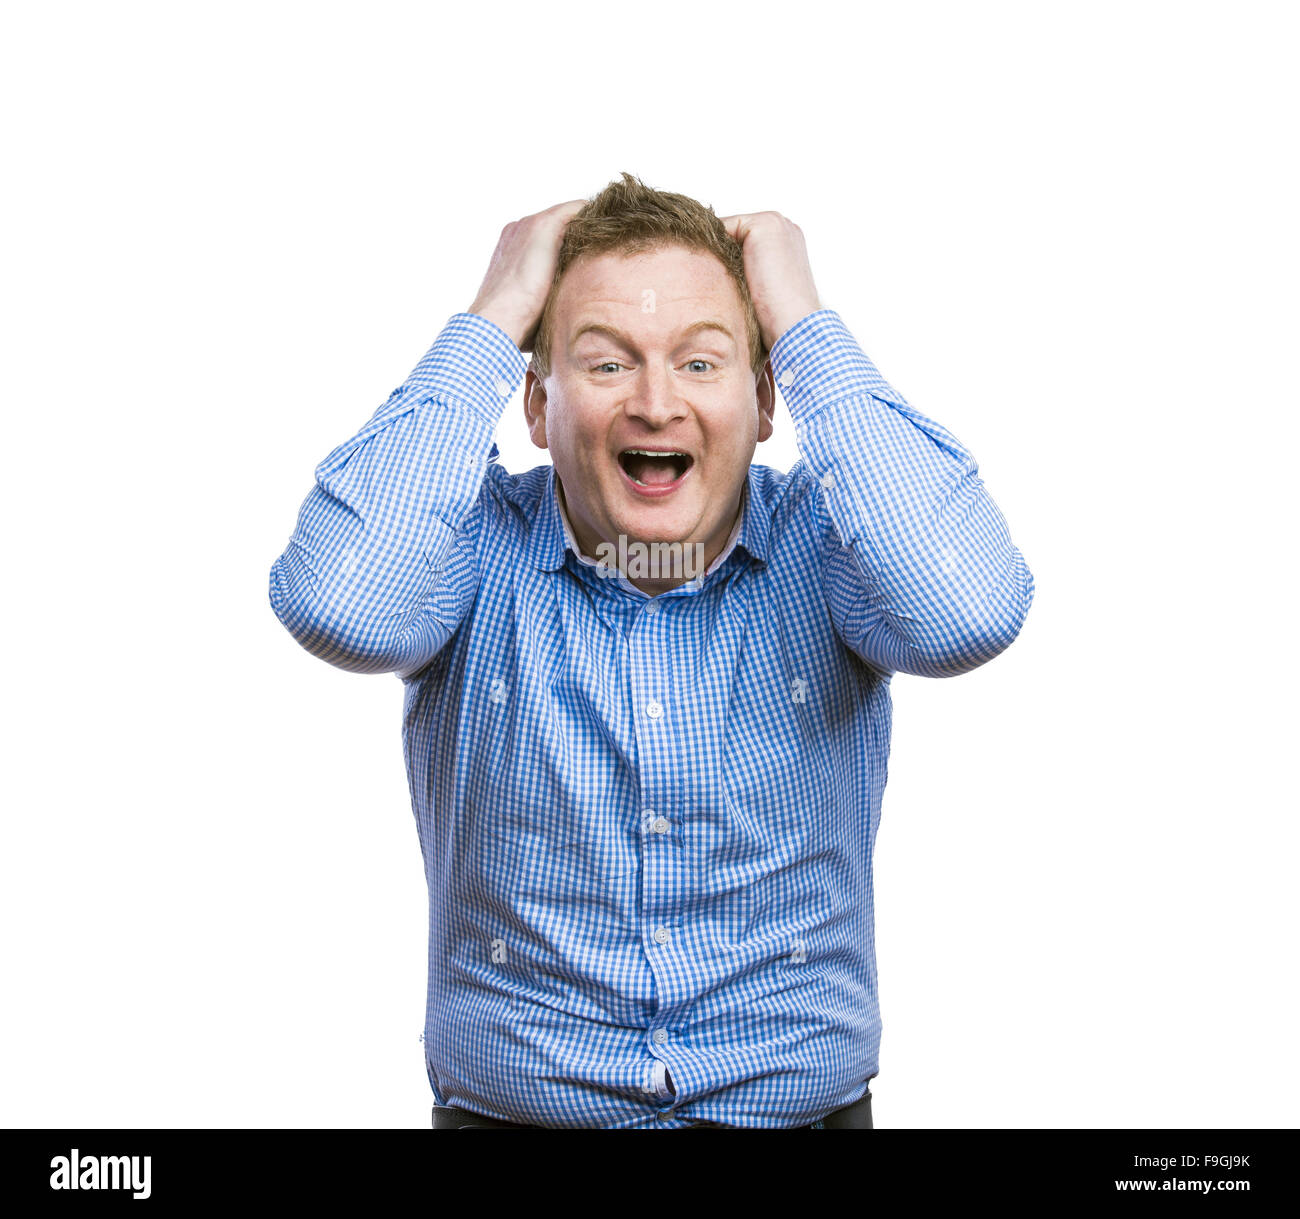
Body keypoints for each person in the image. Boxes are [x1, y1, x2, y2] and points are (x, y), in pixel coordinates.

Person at [267, 172, 1035, 1129]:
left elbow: (968, 611)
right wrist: (491, 319)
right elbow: (337, 604)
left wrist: (803, 327)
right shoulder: (465, 547)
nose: (656, 404)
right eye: (606, 364)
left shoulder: (832, 545)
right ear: (537, 408)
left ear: (764, 402)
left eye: (703, 364)